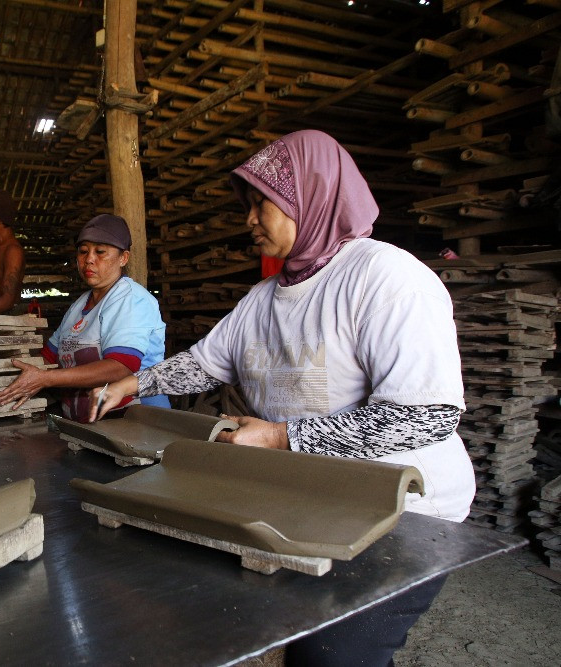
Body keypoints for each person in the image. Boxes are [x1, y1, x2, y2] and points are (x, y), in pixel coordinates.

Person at [92, 130, 476, 666]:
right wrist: (134, 384)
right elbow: (204, 363)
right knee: (272, 628)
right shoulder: (264, 298)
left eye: (262, 204)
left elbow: (424, 417)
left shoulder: (384, 277)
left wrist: (280, 437)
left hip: (405, 508)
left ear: (311, 197)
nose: (249, 220)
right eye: (247, 205)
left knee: (334, 654)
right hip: (314, 494)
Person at [0, 214, 170, 422]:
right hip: (89, 427)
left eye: (100, 252)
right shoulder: (79, 306)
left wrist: (45, 379)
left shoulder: (132, 299)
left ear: (123, 258)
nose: (89, 259)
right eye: (83, 251)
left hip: (138, 422)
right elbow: (49, 357)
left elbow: (120, 367)